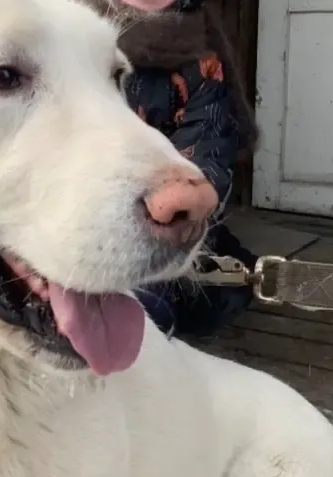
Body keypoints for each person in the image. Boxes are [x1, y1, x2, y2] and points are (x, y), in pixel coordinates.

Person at [90, 0, 260, 337]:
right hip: (85, 211)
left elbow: (209, 151)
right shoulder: (65, 45)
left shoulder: (205, 67)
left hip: (164, 221)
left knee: (200, 288)